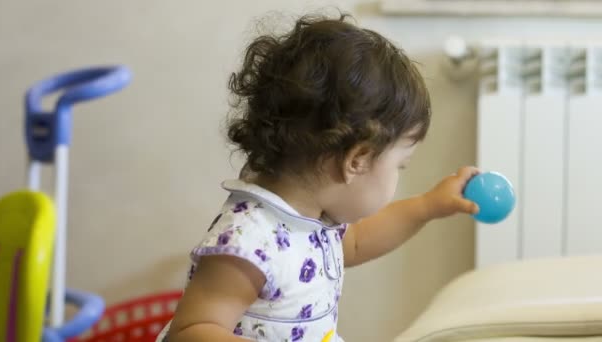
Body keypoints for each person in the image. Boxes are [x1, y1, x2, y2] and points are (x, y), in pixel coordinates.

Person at [160, 12, 479, 342]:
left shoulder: (313, 221)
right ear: (357, 159)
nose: (398, 174)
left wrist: (428, 206)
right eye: (400, 165)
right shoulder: (250, 240)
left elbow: (356, 241)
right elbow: (190, 332)